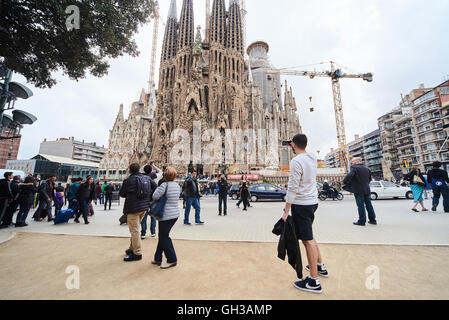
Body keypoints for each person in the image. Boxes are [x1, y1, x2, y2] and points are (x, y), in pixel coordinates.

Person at [282, 134, 327, 294]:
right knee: (310, 236)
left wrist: (286, 210)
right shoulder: (312, 157)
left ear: (293, 144)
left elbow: (293, 187)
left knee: (307, 241)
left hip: (301, 204)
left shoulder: (296, 161)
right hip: (312, 202)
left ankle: (314, 282)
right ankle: (319, 265)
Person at [121, 163, 152, 262]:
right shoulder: (147, 178)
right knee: (136, 229)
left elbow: (122, 194)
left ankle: (137, 253)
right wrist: (148, 199)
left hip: (133, 209)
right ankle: (132, 248)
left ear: (130, 170)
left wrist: (130, 195)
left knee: (134, 231)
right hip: (144, 208)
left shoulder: (128, 180)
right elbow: (155, 187)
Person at [151, 167, 181, 269]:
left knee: (164, 237)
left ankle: (172, 259)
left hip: (166, 215)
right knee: (163, 236)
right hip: (175, 214)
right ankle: (158, 258)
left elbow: (154, 196)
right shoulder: (177, 185)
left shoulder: (164, 185)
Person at [343, 157, 377, 226]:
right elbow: (369, 179)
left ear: (356, 161)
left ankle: (361, 221)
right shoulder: (367, 169)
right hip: (367, 189)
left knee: (360, 206)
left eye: (352, 161)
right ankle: (373, 220)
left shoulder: (354, 168)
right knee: (369, 205)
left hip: (358, 190)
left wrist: (345, 181)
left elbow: (350, 175)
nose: (351, 163)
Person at [141, 164, 158, 239]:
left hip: (144, 200)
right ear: (151, 170)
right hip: (152, 199)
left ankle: (143, 233)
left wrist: (145, 163)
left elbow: (139, 169)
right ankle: (153, 232)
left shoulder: (141, 177)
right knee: (153, 216)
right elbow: (156, 187)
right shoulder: (155, 176)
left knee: (144, 217)